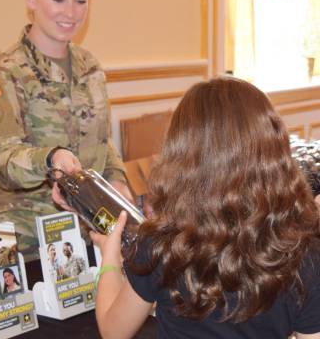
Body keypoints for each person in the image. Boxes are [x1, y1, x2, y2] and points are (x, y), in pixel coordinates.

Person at [90, 77, 320, 339]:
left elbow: (112, 331)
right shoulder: (303, 256)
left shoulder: (160, 244)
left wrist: (109, 256)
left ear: (181, 155)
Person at [0, 0, 132, 261]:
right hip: (19, 242)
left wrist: (117, 181)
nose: (71, 12)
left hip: (79, 236)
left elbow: (101, 142)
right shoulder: (5, 70)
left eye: (81, 0)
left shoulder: (90, 66)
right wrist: (50, 158)